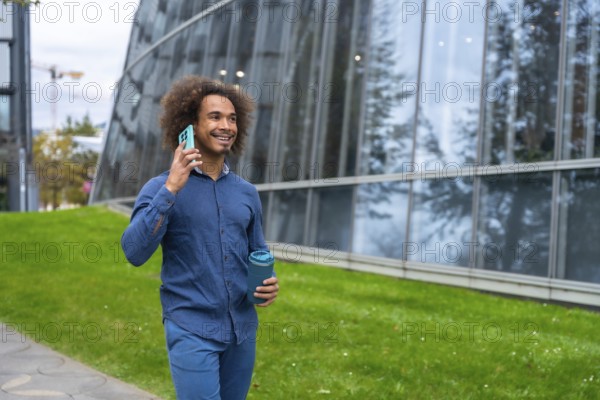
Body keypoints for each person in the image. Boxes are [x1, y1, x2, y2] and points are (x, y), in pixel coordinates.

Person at [121, 75, 279, 400]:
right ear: (190, 124)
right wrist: (171, 190)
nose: (227, 126)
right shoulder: (160, 188)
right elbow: (134, 251)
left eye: (232, 118)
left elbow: (257, 252)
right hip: (191, 328)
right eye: (215, 117)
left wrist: (266, 283)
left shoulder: (246, 193)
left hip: (242, 330)